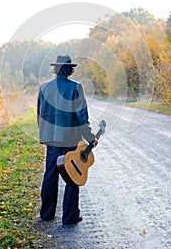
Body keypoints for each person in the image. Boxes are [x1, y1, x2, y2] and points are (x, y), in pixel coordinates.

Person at [37, 54, 98, 225]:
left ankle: (46, 214)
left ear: (56, 68)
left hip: (51, 139)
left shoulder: (43, 88)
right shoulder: (75, 87)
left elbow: (40, 114)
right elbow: (81, 116)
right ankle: (69, 216)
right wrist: (90, 137)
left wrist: (46, 135)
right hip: (70, 139)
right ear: (70, 69)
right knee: (72, 175)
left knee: (50, 175)